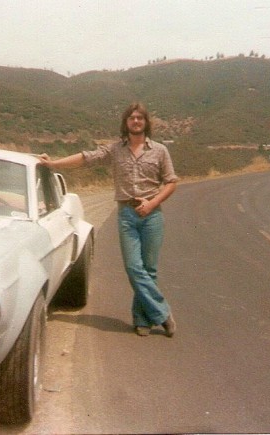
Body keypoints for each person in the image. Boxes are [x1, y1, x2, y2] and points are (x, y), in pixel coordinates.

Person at [39, 102, 178, 337]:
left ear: (146, 123)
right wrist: (53, 164)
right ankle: (163, 314)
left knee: (149, 270)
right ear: (126, 123)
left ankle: (142, 320)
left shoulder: (160, 151)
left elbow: (172, 182)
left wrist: (152, 203)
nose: (135, 121)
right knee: (134, 268)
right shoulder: (115, 150)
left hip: (152, 214)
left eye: (140, 118)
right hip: (127, 214)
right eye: (131, 118)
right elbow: (86, 158)